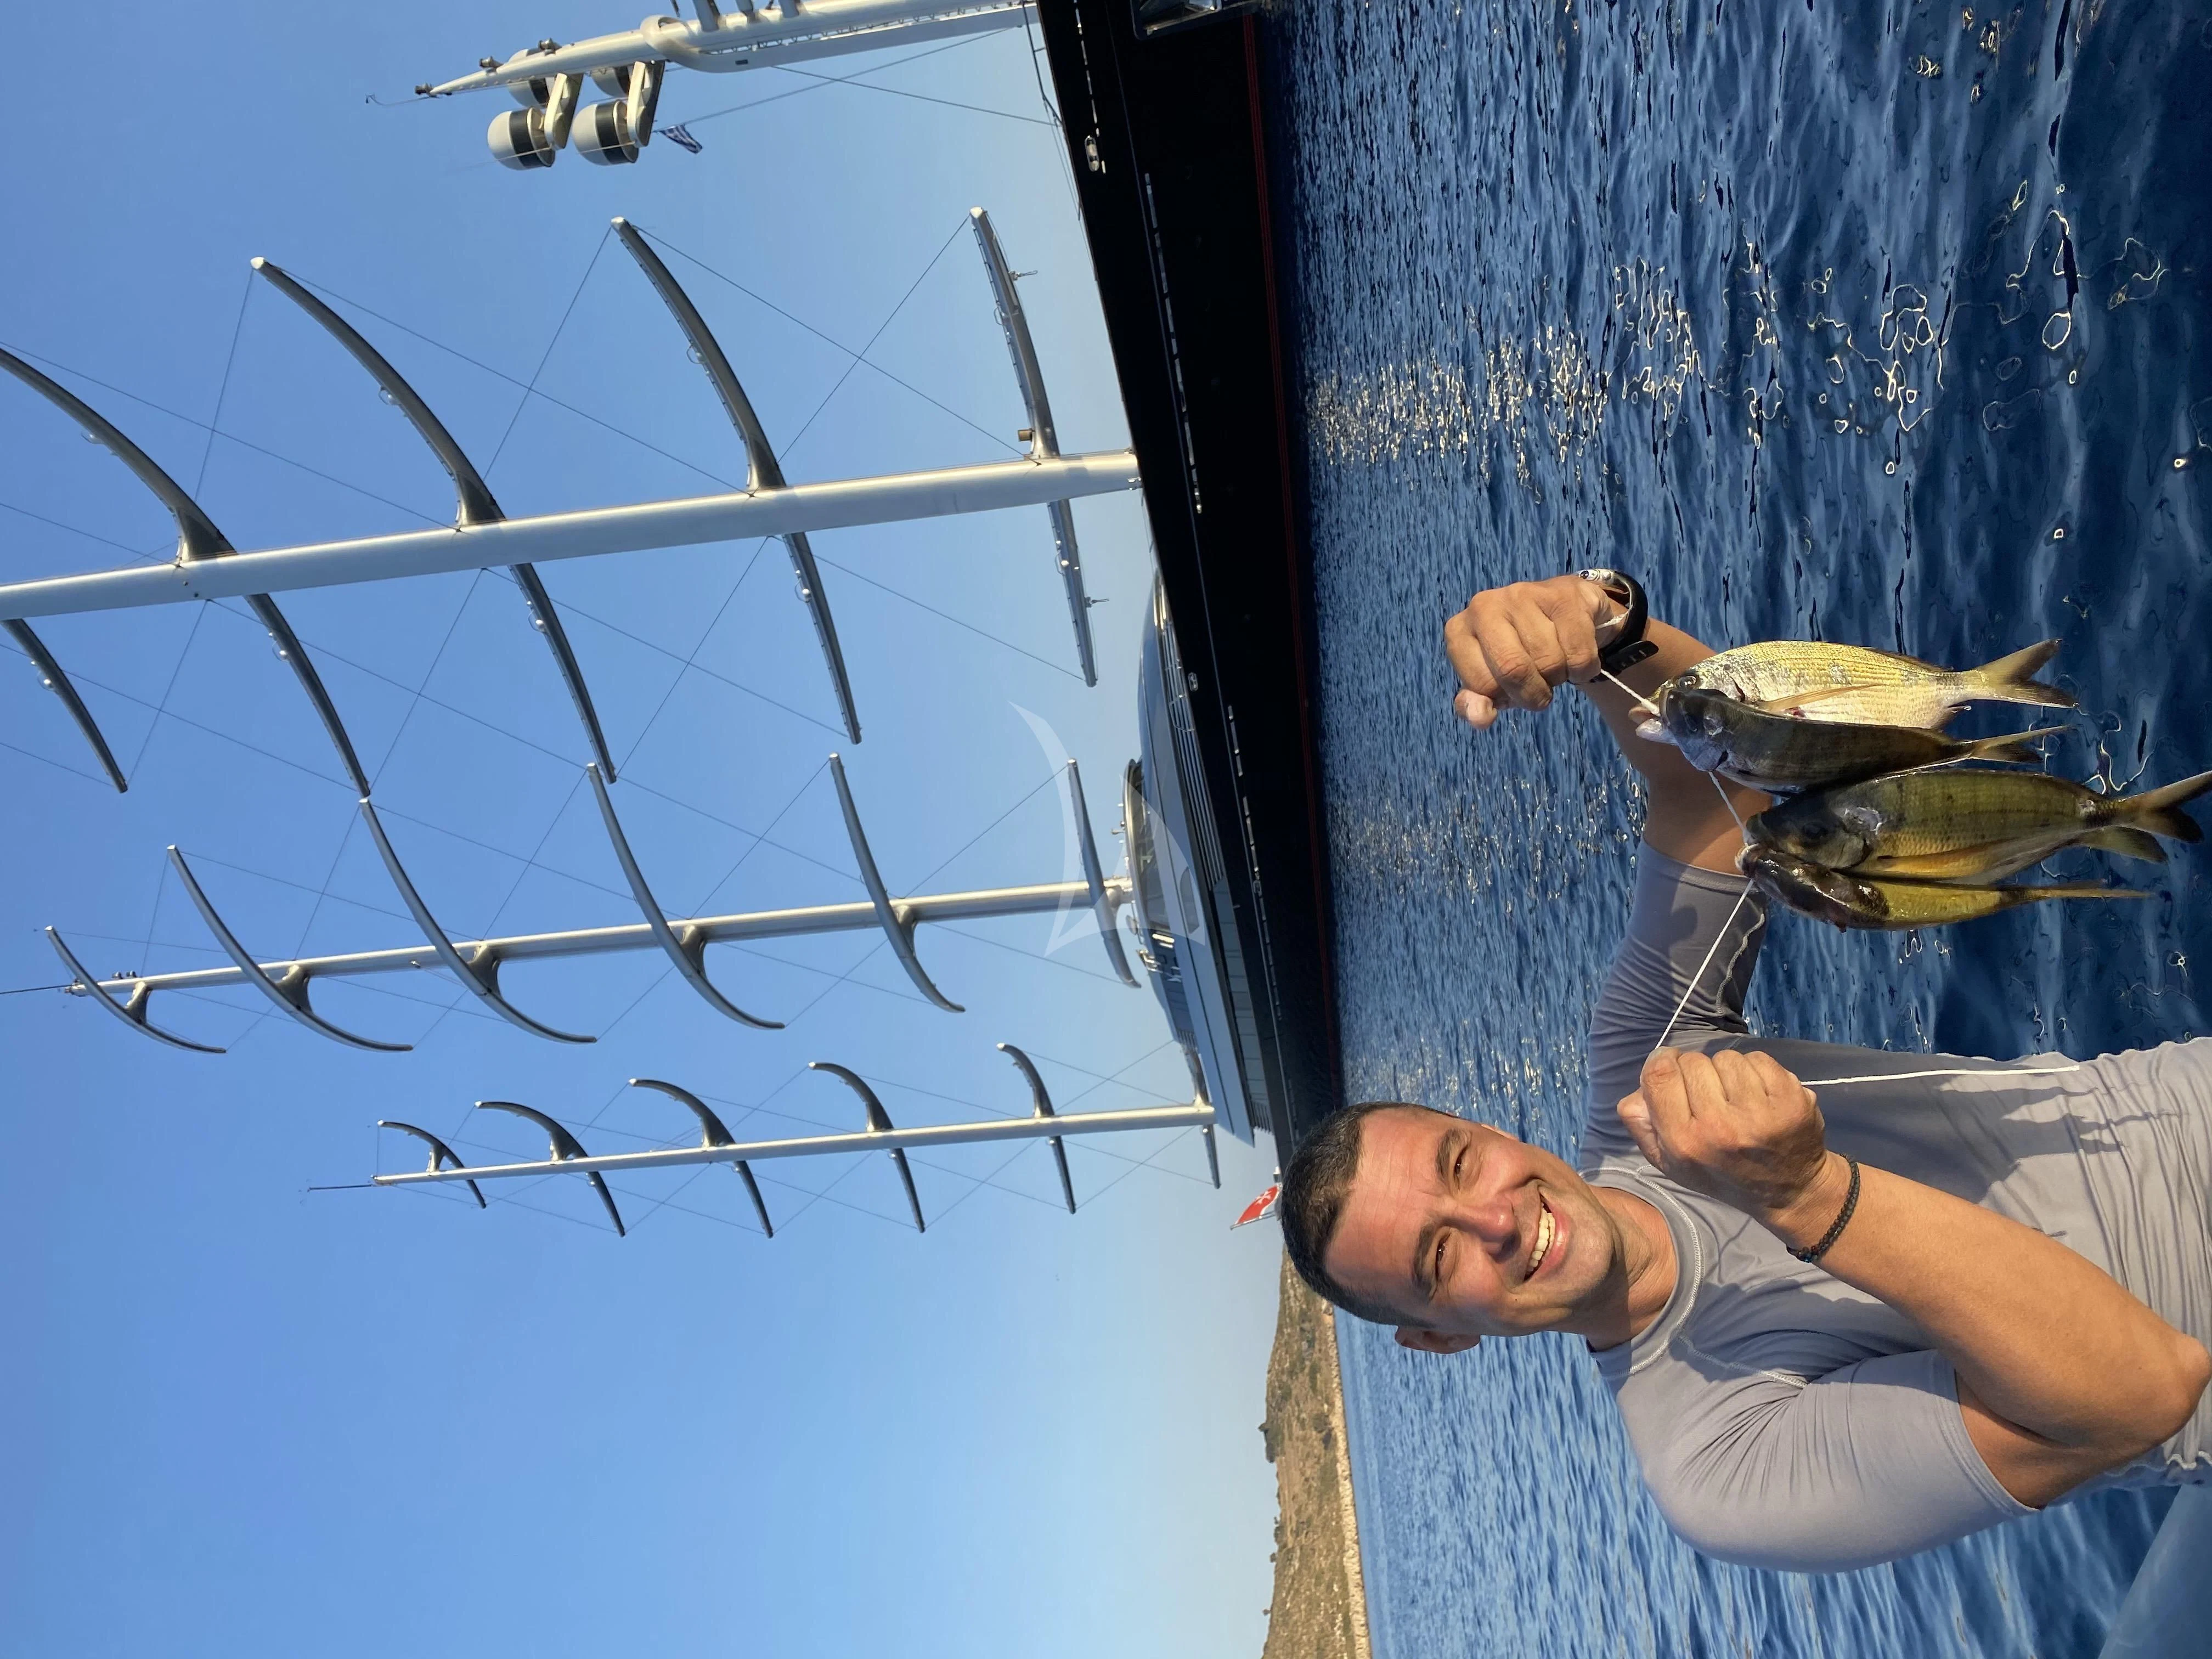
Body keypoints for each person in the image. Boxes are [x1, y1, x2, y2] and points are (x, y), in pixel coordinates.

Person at [1278, 573, 2212, 1573]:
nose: (1498, 1221)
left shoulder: (1644, 1060)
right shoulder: (1714, 1467)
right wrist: (1808, 1196)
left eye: (1460, 1165)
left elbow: (1706, 783)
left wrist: (1606, 635)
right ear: (1438, 1340)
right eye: (1437, 1261)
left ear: (1497, 1132)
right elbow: (2139, 1394)